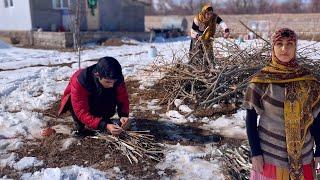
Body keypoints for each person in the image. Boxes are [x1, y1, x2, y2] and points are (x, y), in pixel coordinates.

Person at [243, 28, 320, 179]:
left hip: (304, 158)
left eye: (289, 44)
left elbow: (317, 119)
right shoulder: (261, 81)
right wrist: (256, 153)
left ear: (295, 47)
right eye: (279, 44)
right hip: (270, 157)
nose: (284, 49)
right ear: (273, 47)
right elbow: (250, 120)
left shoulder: (308, 82)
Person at [58, 56, 131, 136]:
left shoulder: (116, 77)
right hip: (85, 104)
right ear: (97, 75)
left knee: (110, 92)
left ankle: (103, 119)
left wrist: (123, 115)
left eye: (114, 81)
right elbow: (81, 111)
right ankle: (80, 127)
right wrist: (104, 125)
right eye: (108, 82)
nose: (112, 85)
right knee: (75, 102)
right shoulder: (81, 80)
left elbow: (122, 98)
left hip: (99, 98)